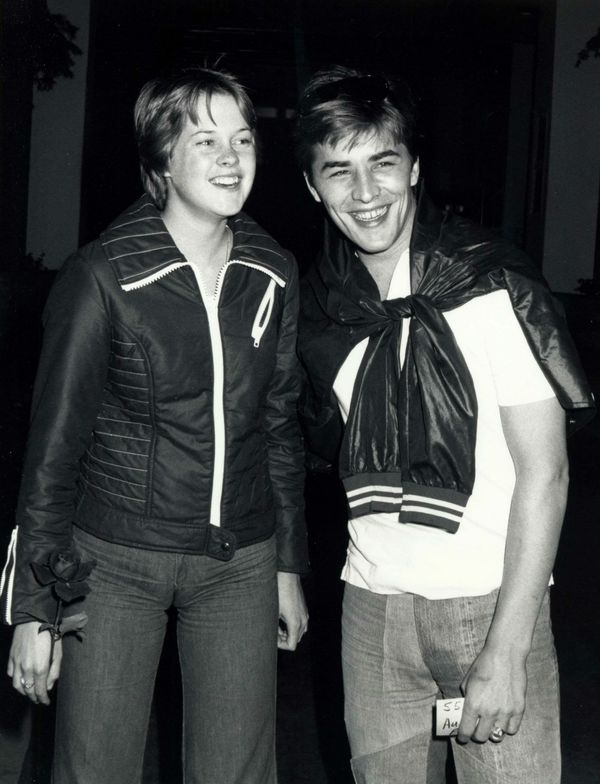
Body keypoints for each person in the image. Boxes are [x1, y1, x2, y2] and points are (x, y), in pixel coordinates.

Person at [1, 68, 308, 784]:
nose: (233, 157)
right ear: (161, 159)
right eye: (206, 140)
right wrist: (36, 609)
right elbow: (52, 453)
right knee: (94, 769)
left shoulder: (274, 271)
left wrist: (289, 566)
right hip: (113, 561)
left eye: (243, 137)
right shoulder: (101, 276)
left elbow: (279, 428)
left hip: (239, 560)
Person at [295, 65, 594, 784]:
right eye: (340, 171)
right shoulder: (325, 309)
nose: (365, 195)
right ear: (312, 186)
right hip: (371, 615)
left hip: (488, 605)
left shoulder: (487, 284)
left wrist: (507, 647)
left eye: (383, 164)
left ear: (415, 168)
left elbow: (545, 473)